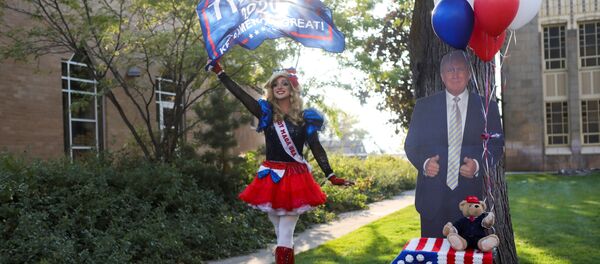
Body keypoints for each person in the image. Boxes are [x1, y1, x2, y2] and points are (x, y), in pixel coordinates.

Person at [207, 62, 353, 264]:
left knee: (284, 234)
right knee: (280, 233)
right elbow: (241, 96)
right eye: (276, 84)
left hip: (295, 179)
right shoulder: (266, 113)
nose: (280, 87)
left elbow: (315, 146)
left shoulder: (305, 118)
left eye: (285, 83)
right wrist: (221, 73)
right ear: (271, 89)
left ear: (293, 88)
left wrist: (330, 175)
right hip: (271, 178)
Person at [404, 50, 504, 238]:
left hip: (471, 203)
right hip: (432, 202)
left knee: (466, 257)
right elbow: (411, 145)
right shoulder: (424, 107)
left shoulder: (487, 107)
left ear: (468, 74)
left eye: (460, 69)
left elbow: (496, 145)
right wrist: (425, 164)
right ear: (442, 76)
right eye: (450, 70)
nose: (455, 74)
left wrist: (477, 165)